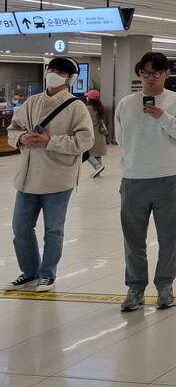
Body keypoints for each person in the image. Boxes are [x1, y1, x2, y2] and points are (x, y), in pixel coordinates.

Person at [115, 52, 176, 312]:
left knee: (169, 238)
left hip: (167, 178)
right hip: (133, 178)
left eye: (156, 73)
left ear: (167, 74)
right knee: (133, 240)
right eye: (145, 73)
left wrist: (163, 116)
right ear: (139, 74)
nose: (150, 78)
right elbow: (120, 138)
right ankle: (135, 288)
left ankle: (164, 286)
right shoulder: (126, 104)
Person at [4, 57, 94, 292]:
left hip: (58, 176)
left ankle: (47, 273)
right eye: (51, 69)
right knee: (20, 227)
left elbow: (85, 140)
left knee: (53, 229)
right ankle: (30, 270)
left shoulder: (76, 106)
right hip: (27, 176)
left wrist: (50, 141)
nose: (54, 74)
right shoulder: (32, 102)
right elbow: (13, 129)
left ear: (70, 79)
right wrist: (21, 138)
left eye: (60, 72)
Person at [84, 89, 108, 178]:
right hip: (100, 134)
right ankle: (98, 172)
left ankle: (98, 166)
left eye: (87, 97)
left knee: (85, 153)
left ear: (90, 98)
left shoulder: (88, 109)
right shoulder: (101, 108)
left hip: (91, 135)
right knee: (97, 154)